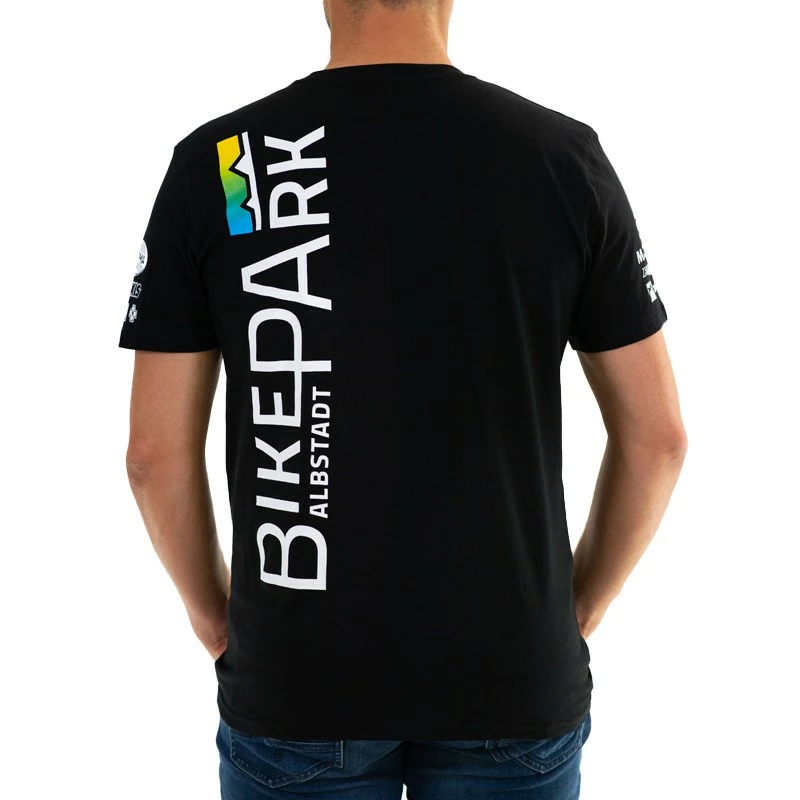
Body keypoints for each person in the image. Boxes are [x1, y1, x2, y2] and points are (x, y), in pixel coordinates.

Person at [119, 0, 688, 797]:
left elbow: (153, 456)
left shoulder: (224, 162)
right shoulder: (560, 158)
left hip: (299, 673)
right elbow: (658, 437)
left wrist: (213, 616)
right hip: (510, 669)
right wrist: (577, 606)